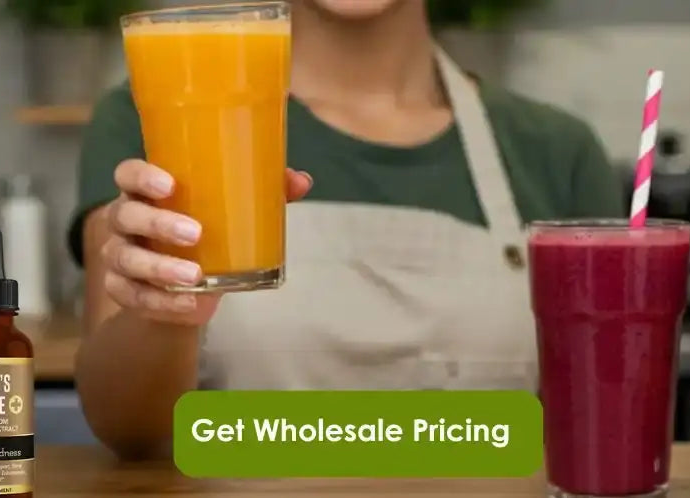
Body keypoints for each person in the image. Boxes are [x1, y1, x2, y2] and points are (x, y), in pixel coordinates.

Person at [67, 0, 624, 460]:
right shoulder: (158, 113)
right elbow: (125, 428)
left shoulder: (558, 153)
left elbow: (602, 431)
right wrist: (166, 311)